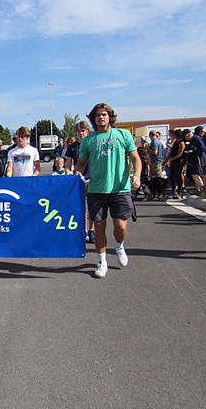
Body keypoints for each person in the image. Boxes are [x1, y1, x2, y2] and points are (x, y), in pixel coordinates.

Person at [74, 103, 141, 279]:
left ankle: (119, 246)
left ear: (110, 117)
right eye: (97, 115)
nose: (101, 118)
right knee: (99, 226)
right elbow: (81, 163)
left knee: (120, 226)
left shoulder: (123, 135)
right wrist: (77, 173)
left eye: (104, 114)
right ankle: (102, 261)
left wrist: (137, 175)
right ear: (93, 119)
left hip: (120, 189)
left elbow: (136, 159)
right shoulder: (88, 141)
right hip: (96, 190)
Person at [66, 121, 95, 243]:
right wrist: (69, 177)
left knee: (93, 207)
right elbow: (68, 165)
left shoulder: (93, 144)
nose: (81, 133)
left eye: (83, 131)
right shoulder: (72, 147)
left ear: (87, 131)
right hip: (79, 180)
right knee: (79, 208)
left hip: (93, 179)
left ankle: (91, 230)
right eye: (78, 131)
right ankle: (81, 230)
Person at [183, 127, 206, 193]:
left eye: (185, 137)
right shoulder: (190, 140)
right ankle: (200, 188)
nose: (185, 139)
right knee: (196, 174)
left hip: (200, 159)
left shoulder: (196, 139)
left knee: (200, 174)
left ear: (188, 135)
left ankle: (202, 188)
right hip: (193, 160)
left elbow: (203, 148)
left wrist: (193, 151)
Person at [167, 129, 187, 199]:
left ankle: (179, 191)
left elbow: (179, 154)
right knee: (172, 176)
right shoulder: (175, 142)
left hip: (179, 161)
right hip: (173, 161)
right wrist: (167, 159)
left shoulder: (181, 143)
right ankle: (173, 191)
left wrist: (171, 160)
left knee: (179, 176)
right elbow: (171, 151)